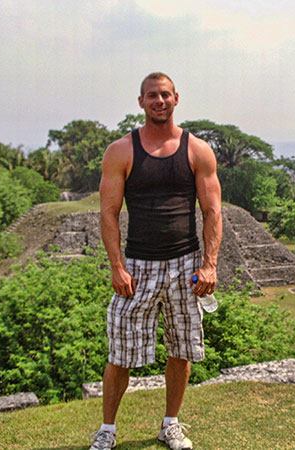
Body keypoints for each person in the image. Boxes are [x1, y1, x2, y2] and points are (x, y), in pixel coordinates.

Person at [90, 72, 222, 450]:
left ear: (176, 98)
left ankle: (170, 424)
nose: (159, 101)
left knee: (181, 348)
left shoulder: (197, 150)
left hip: (185, 263)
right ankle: (108, 430)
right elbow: (108, 212)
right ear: (141, 102)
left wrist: (209, 265)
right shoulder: (121, 151)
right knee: (120, 352)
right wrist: (117, 266)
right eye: (152, 96)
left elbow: (213, 211)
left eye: (165, 95)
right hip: (138, 265)